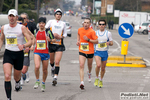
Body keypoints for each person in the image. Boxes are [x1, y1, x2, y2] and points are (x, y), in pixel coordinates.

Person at [0, 9, 32, 100]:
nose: (12, 18)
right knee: (7, 76)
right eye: (10, 16)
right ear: (8, 17)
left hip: (18, 54)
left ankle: (17, 82)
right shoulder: (4, 28)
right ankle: (9, 98)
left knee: (16, 76)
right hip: (8, 53)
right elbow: (2, 39)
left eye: (13, 16)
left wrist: (24, 45)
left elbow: (29, 41)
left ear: (16, 17)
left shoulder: (21, 28)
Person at [45, 8, 67, 86]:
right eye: (57, 14)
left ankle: (55, 77)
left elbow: (65, 34)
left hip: (59, 45)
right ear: (55, 15)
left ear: (61, 16)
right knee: (51, 61)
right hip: (51, 44)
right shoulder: (51, 22)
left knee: (57, 61)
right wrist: (50, 36)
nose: (58, 15)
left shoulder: (63, 24)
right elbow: (46, 29)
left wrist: (59, 37)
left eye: (60, 14)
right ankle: (53, 67)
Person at [33, 17, 55, 92]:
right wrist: (32, 45)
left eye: (43, 23)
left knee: (45, 70)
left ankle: (43, 82)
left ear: (45, 24)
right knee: (37, 66)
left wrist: (50, 40)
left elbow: (54, 39)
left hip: (45, 52)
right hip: (37, 51)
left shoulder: (48, 31)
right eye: (40, 23)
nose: (41, 25)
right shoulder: (35, 31)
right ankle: (37, 80)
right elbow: (33, 39)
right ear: (38, 24)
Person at [76, 18, 98, 90]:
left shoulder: (92, 31)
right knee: (81, 65)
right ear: (83, 23)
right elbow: (78, 34)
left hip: (90, 51)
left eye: (88, 23)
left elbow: (96, 41)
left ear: (90, 24)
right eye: (85, 22)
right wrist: (78, 41)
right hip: (82, 50)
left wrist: (88, 40)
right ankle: (82, 82)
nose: (86, 24)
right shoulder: (80, 29)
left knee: (90, 65)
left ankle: (89, 73)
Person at [94, 19, 113, 88]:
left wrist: (109, 43)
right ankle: (96, 78)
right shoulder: (95, 33)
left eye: (103, 24)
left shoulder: (108, 33)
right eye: (100, 24)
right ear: (98, 25)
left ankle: (101, 80)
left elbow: (112, 43)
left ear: (105, 25)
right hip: (97, 51)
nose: (101, 26)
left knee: (102, 68)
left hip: (105, 52)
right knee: (98, 65)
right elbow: (92, 41)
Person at [17, 17, 35, 85]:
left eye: (20, 23)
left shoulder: (26, 30)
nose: (19, 24)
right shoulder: (13, 30)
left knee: (24, 69)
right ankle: (20, 79)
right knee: (18, 67)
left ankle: (25, 74)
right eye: (17, 23)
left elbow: (33, 38)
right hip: (16, 51)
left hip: (25, 50)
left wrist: (32, 45)